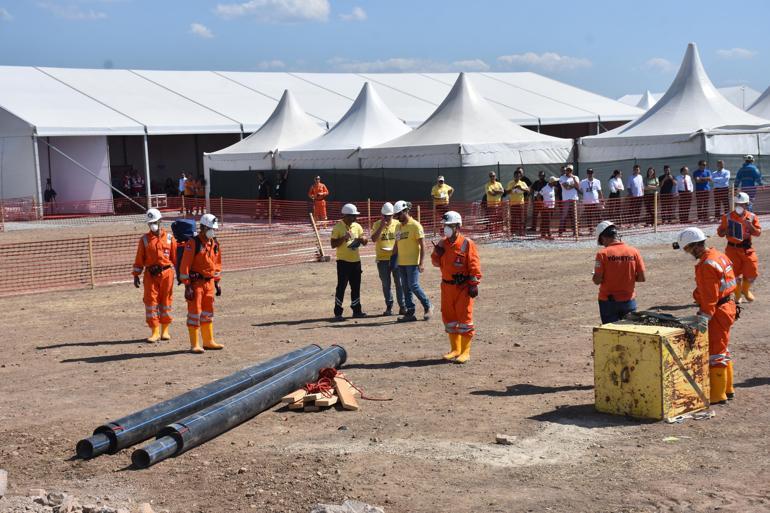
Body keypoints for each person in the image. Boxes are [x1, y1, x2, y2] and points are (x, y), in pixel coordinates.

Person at [675, 227, 737, 404]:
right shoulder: (718, 255)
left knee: (715, 352)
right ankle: (728, 388)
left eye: (687, 249)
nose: (688, 253)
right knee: (723, 348)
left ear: (695, 246)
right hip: (728, 306)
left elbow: (710, 297)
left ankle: (718, 395)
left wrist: (704, 317)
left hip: (718, 311)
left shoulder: (706, 265)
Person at [431, 211, 481, 364]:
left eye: (449, 225)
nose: (446, 228)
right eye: (445, 225)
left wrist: (473, 284)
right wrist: (437, 253)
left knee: (464, 318)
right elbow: (435, 263)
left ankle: (465, 352)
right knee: (449, 318)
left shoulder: (467, 243)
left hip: (462, 288)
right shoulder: (442, 243)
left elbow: (474, 265)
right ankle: (455, 349)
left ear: (457, 226)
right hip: (446, 287)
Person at [179, 213, 223, 353]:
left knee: (208, 312)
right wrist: (187, 285)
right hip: (196, 284)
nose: (212, 231)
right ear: (203, 227)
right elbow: (185, 265)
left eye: (213, 228)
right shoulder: (193, 243)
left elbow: (217, 264)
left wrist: (216, 282)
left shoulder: (214, 243)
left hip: (209, 284)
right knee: (194, 313)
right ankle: (195, 344)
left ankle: (208, 341)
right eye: (210, 228)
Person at [132, 208, 177, 343]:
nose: (152, 225)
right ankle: (155, 331)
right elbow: (139, 259)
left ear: (160, 221)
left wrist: (181, 275)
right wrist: (136, 275)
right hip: (150, 275)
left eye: (155, 222)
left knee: (166, 302)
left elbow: (176, 259)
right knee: (151, 302)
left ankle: (165, 331)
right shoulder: (144, 240)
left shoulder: (169, 238)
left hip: (167, 274)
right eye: (150, 223)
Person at [592, 220, 646, 324]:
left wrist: (595, 275)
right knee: (630, 333)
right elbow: (642, 278)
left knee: (612, 335)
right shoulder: (634, 251)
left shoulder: (602, 254)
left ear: (603, 238)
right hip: (629, 301)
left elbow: (597, 280)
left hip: (608, 302)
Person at [717, 192, 762, 303]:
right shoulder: (727, 217)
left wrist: (749, 225)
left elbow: (757, 233)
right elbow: (720, 233)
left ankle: (745, 290)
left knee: (752, 271)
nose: (739, 206)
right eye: (737, 203)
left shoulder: (752, 217)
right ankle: (737, 294)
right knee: (734, 273)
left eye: (742, 204)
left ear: (747, 204)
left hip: (747, 249)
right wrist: (725, 231)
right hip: (732, 249)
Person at [393, 200, 433, 322]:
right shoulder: (398, 227)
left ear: (405, 211)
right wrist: (391, 257)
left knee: (413, 285)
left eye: (398, 214)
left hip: (413, 263)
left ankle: (428, 306)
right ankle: (410, 313)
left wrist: (421, 263)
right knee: (405, 287)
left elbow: (423, 245)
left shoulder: (415, 226)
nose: (397, 217)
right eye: (396, 215)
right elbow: (396, 244)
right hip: (401, 263)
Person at [330, 203, 368, 321]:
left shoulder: (357, 226)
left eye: (355, 216)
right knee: (341, 287)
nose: (355, 218)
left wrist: (363, 239)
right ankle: (338, 312)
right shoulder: (337, 227)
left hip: (356, 261)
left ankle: (357, 310)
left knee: (356, 287)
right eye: (353, 216)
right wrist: (343, 238)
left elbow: (365, 241)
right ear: (346, 216)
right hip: (343, 262)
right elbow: (332, 245)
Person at [371, 202, 405, 316]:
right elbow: (373, 239)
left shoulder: (397, 224)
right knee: (386, 284)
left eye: (389, 216)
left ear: (393, 215)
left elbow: (401, 240)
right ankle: (389, 306)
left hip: (396, 257)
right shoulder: (376, 224)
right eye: (385, 216)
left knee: (399, 283)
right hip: (382, 259)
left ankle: (403, 306)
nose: (387, 218)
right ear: (382, 215)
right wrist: (381, 226)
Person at [505, 169, 529, 236]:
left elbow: (528, 190)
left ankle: (521, 232)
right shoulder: (510, 183)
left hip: (521, 203)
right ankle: (513, 232)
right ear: (514, 176)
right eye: (515, 176)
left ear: (520, 176)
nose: (517, 177)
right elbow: (506, 192)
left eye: (518, 176)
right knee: (513, 219)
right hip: (513, 204)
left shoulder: (523, 183)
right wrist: (512, 188)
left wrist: (521, 188)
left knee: (521, 218)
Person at [558, 164, 579, 236]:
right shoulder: (562, 178)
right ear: (566, 170)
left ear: (572, 171)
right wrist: (574, 186)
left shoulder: (575, 177)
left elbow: (578, 186)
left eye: (570, 170)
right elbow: (566, 187)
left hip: (574, 199)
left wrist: (573, 180)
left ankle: (575, 232)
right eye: (568, 170)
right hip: (566, 199)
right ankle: (560, 232)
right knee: (564, 215)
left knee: (575, 215)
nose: (569, 171)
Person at [580, 168, 603, 232]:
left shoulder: (597, 181)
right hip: (587, 202)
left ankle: (601, 228)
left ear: (593, 173)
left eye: (591, 173)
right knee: (589, 216)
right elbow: (578, 189)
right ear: (587, 174)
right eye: (589, 173)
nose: (590, 174)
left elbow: (600, 191)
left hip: (595, 201)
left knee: (598, 215)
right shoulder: (583, 182)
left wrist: (602, 199)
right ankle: (590, 229)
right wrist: (581, 196)